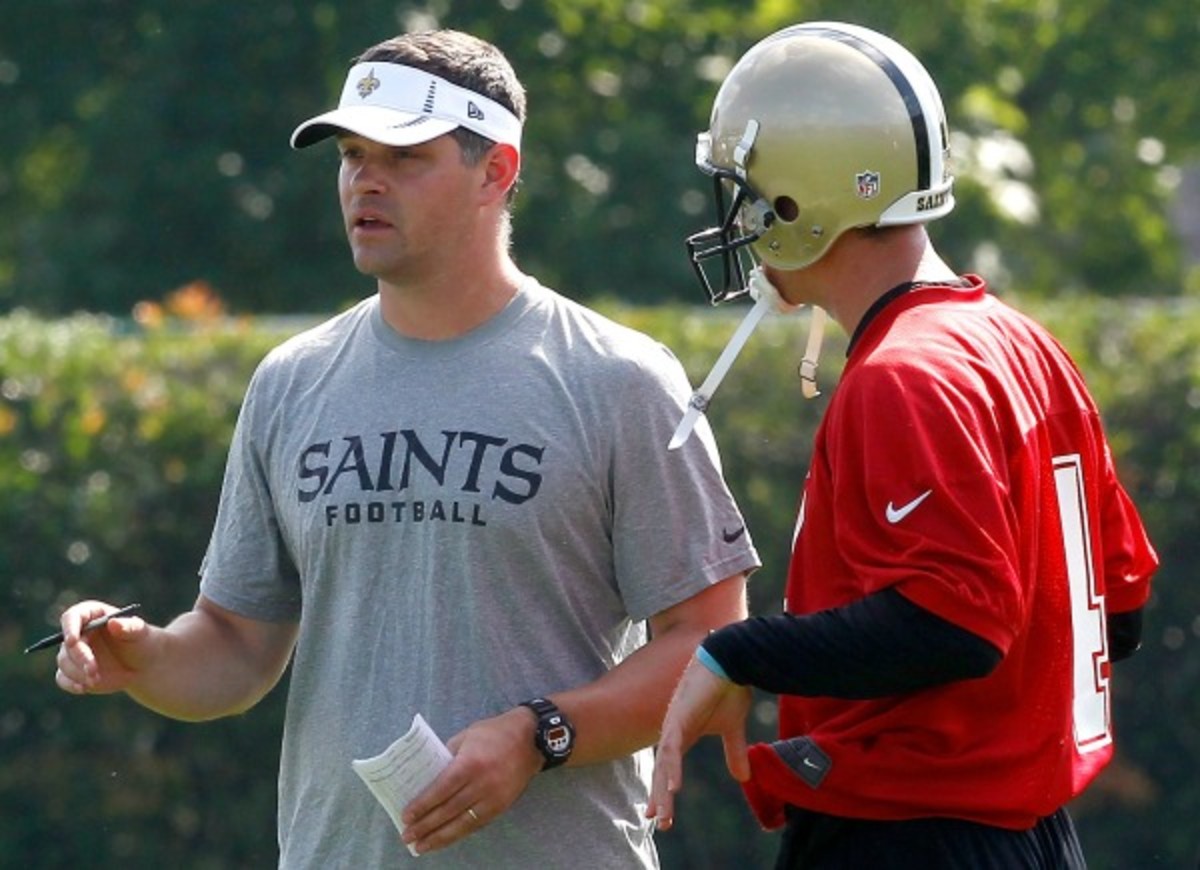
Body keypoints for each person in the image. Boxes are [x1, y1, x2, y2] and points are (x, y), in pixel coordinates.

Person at [51, 29, 759, 869]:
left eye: (404, 155)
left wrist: (540, 735)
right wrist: (148, 655)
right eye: (352, 155)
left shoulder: (620, 379)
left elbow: (712, 649)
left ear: (496, 170)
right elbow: (236, 649)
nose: (365, 180)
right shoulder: (291, 382)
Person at [647, 21, 1158, 869]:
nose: (737, 214)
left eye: (747, 188)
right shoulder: (1023, 345)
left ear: (798, 201)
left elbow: (953, 622)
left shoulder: (903, 374)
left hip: (912, 836)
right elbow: (1120, 611)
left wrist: (737, 653)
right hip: (1031, 838)